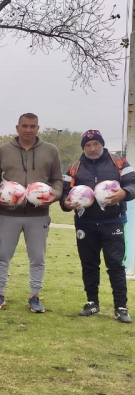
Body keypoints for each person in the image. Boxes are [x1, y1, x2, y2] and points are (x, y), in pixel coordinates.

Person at [0, 113, 62, 313]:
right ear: (17, 127)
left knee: (37, 257)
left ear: (38, 128)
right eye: (24, 126)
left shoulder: (51, 150)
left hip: (38, 215)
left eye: (32, 126)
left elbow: (57, 180)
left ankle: (34, 296)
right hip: (8, 214)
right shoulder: (3, 150)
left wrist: (54, 194)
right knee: (2, 256)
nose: (28, 130)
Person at [61, 130, 134, 323]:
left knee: (115, 265)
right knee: (89, 265)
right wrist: (66, 204)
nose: (92, 149)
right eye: (88, 145)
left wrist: (124, 194)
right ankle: (92, 302)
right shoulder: (75, 167)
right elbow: (64, 195)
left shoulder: (119, 162)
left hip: (113, 222)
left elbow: (133, 184)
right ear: (83, 147)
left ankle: (121, 307)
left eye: (96, 144)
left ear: (102, 144)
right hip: (85, 223)